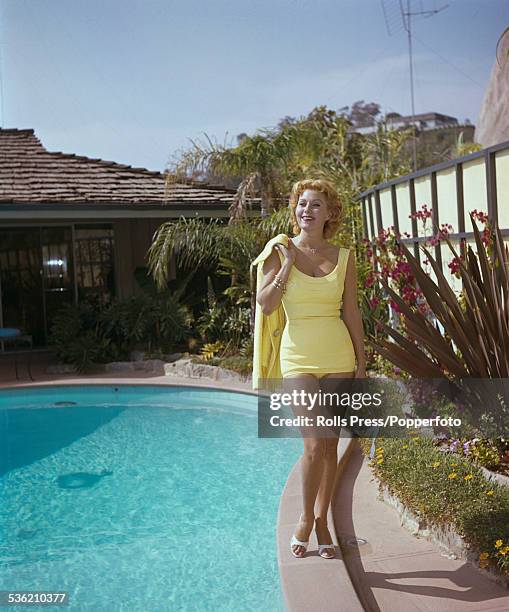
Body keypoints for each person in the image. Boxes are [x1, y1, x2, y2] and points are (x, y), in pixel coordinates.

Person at [254, 178, 366, 559]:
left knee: (332, 444)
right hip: (297, 357)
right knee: (314, 444)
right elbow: (266, 304)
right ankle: (304, 517)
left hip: (338, 356)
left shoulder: (345, 257)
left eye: (315, 204)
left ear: (329, 213)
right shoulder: (279, 251)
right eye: (302, 204)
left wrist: (361, 363)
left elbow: (351, 312)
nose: (306, 210)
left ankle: (322, 521)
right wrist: (286, 265)